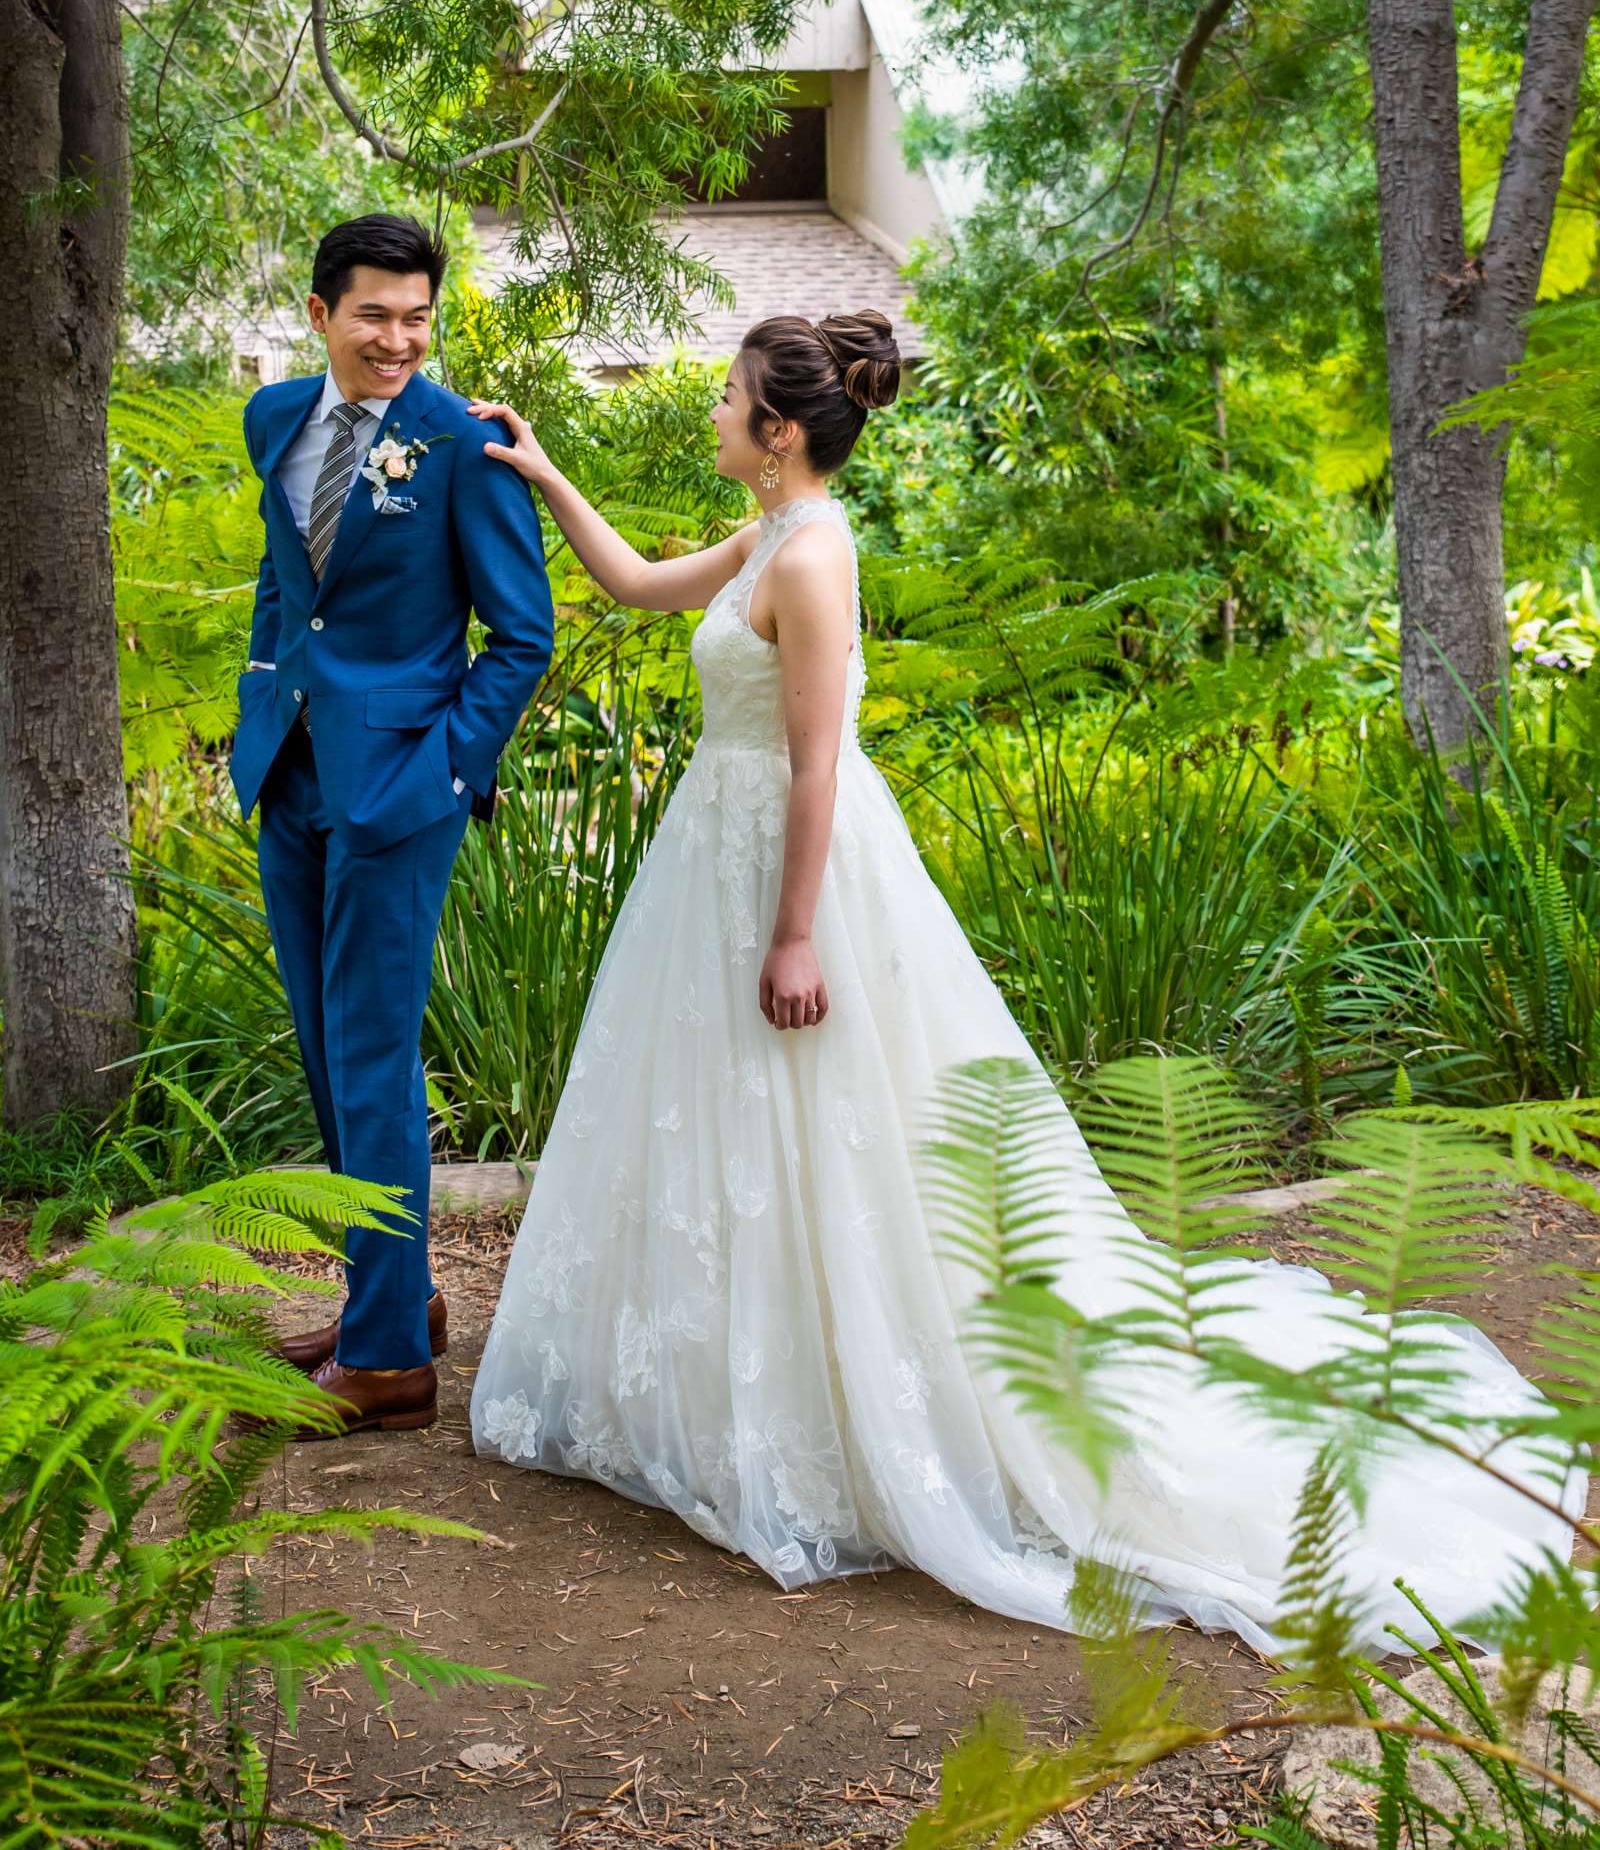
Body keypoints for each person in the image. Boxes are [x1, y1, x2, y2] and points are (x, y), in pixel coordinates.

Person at [467, 310, 1580, 1652]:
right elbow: (640, 585)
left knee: (825, 1131)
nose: (709, 408)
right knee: (735, 1130)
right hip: (713, 856)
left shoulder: (813, 556)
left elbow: (819, 763)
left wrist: (795, 933)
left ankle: (859, 1412)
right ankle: (745, 1393)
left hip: (788, 866)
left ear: (775, 435)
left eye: (723, 395)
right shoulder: (767, 533)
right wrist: (540, 474)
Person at [234, 214, 553, 1437]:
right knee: (326, 1052)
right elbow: (286, 581)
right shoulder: (274, 420)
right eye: (375, 315)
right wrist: (264, 703)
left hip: (398, 790)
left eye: (417, 317)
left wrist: (441, 772)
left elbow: (520, 635)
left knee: (371, 1056)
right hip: (291, 772)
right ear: (320, 313)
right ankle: (394, 1295)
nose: (398, 339)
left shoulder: (462, 445)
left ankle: (385, 1365)